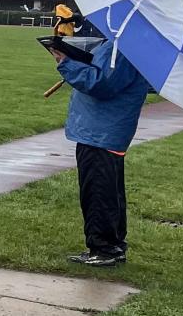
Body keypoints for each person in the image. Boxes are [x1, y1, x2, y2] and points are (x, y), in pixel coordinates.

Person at [52, 39, 149, 266]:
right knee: (109, 191)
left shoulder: (122, 46)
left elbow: (101, 83)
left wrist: (66, 63)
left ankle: (104, 249)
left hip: (101, 131)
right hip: (105, 129)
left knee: (98, 191)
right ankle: (111, 245)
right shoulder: (125, 43)